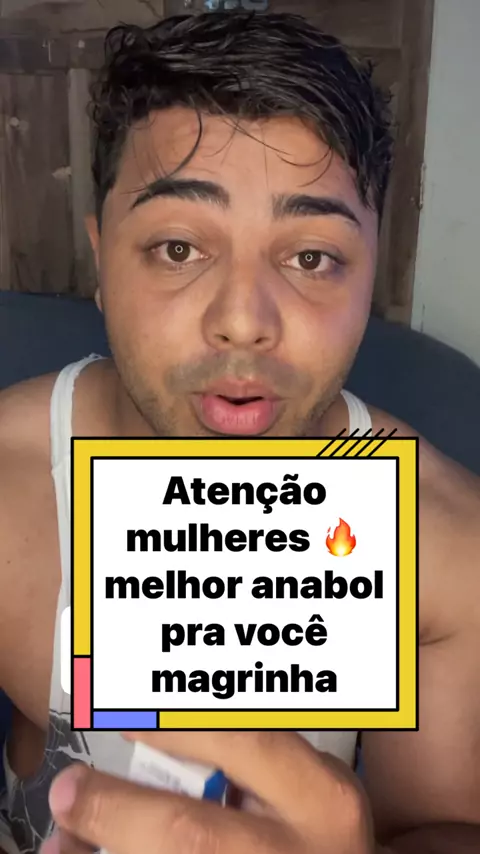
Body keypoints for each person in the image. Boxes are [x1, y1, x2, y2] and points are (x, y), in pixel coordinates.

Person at [0, 10, 479, 854]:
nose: (244, 321)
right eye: (179, 248)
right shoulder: (9, 485)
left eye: (311, 258)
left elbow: (447, 830)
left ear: (370, 273)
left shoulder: (446, 548)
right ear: (102, 259)